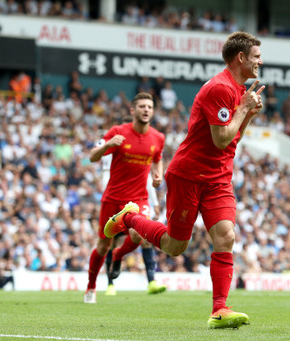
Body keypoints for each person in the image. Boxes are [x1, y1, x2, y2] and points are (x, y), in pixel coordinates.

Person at [103, 31, 265, 329]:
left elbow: (231, 141)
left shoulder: (235, 90)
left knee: (226, 236)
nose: (260, 61)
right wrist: (243, 108)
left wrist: (248, 114)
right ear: (241, 58)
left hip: (218, 177)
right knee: (175, 246)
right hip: (188, 175)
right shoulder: (219, 88)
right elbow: (220, 140)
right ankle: (130, 218)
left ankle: (219, 309)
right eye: (256, 56)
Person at [84, 92, 166, 304]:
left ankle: (119, 256)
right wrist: (108, 144)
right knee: (103, 246)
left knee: (140, 235)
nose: (146, 109)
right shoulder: (118, 132)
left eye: (149, 106)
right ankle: (91, 286)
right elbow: (92, 157)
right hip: (113, 198)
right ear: (133, 110)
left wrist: (158, 174)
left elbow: (158, 159)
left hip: (138, 199)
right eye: (142, 106)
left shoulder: (158, 137)